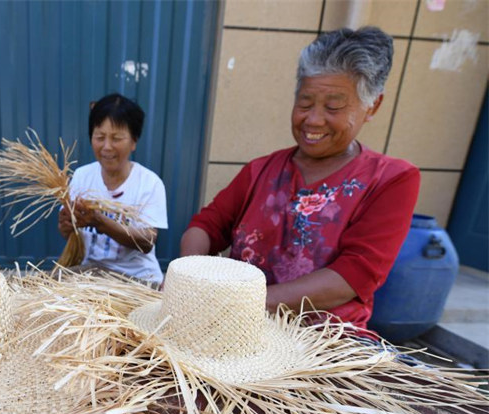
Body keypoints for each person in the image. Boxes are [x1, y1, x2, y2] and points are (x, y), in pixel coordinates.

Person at [180, 26, 420, 329]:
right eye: (305, 103)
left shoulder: (391, 180)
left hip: (324, 347)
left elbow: (355, 274)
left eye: (333, 106)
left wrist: (241, 302)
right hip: (235, 331)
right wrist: (186, 277)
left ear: (372, 106)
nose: (313, 119)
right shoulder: (261, 170)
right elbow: (207, 226)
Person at [58, 94, 168, 284]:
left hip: (137, 278)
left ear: (133, 141)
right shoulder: (82, 176)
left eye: (116, 138)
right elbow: (67, 234)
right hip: (90, 274)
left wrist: (100, 222)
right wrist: (66, 225)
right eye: (99, 137)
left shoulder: (150, 183)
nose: (107, 147)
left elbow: (147, 242)